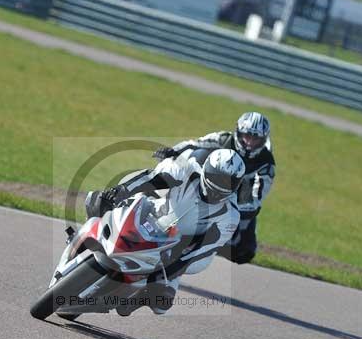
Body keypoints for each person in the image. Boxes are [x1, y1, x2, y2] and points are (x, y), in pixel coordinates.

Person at [85, 149, 244, 314]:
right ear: (206, 169)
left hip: (177, 249)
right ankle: (81, 237)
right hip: (152, 214)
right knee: (97, 201)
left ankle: (136, 296)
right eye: (218, 178)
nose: (221, 185)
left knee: (162, 302)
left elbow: (201, 250)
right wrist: (121, 190)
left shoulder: (230, 215)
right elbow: (150, 178)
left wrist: (168, 272)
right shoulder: (187, 170)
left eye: (229, 182)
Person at [153, 112, 275, 264]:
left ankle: (206, 244)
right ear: (238, 132)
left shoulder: (266, 163)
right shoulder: (223, 138)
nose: (249, 142)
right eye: (247, 136)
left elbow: (256, 200)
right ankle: (162, 200)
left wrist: (232, 209)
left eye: (255, 138)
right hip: (204, 182)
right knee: (196, 155)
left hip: (237, 200)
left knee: (244, 252)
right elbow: (194, 144)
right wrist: (172, 151)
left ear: (263, 140)